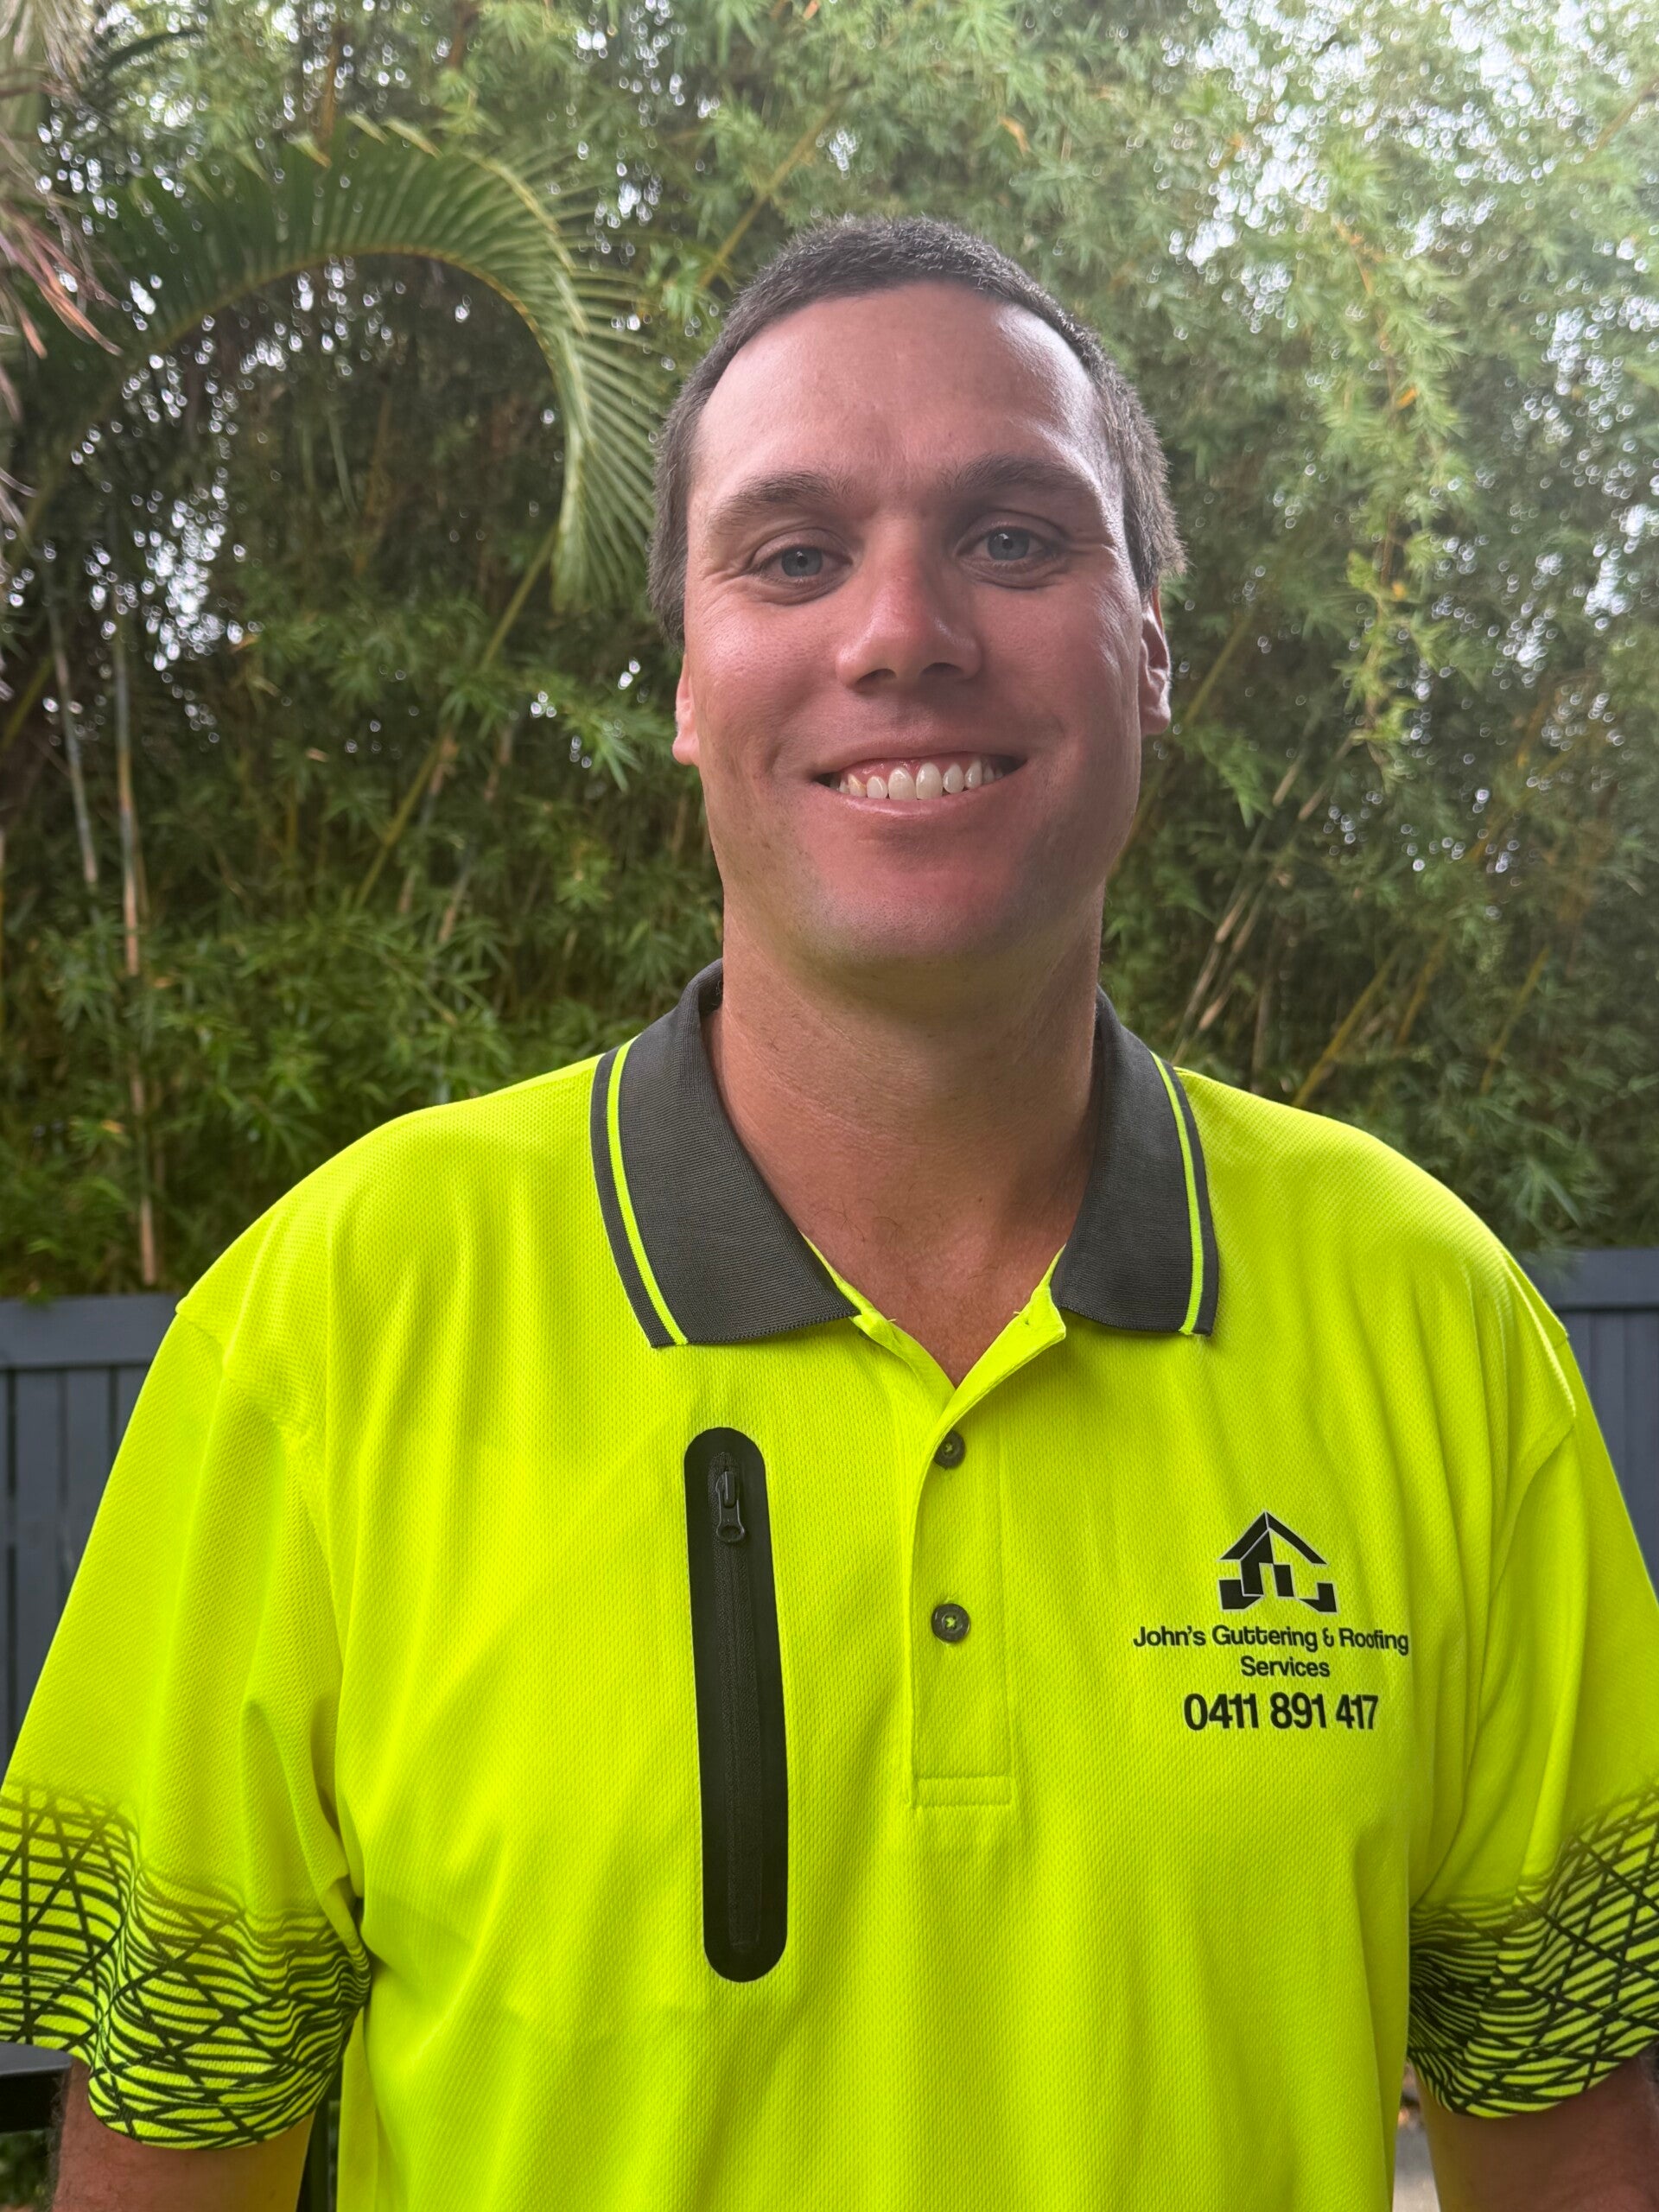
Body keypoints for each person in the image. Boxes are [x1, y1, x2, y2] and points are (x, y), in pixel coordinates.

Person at [4, 215, 1658, 2212]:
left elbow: (1579, 2153)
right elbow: (166, 2166)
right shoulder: (336, 1316)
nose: (902, 631)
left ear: (1150, 652)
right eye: (791, 555)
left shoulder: (1434, 1322)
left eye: (1014, 537)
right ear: (691, 689)